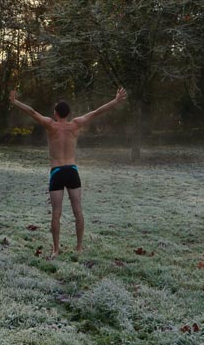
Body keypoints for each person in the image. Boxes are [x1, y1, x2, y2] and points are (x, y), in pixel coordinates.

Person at [9, 87, 128, 256]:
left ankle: (56, 250)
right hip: (72, 170)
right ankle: (79, 248)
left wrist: (15, 102)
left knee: (56, 213)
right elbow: (96, 112)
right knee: (77, 210)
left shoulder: (51, 125)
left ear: (56, 113)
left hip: (57, 171)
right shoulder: (76, 124)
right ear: (68, 113)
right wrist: (115, 101)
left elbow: (32, 112)